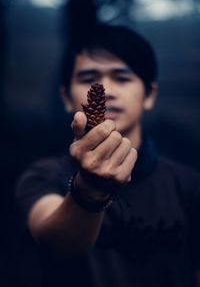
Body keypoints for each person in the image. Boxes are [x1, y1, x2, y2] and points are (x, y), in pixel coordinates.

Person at [16, 24, 200, 287]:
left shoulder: (190, 186)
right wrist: (89, 190)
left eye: (122, 78)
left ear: (149, 95)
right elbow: (55, 245)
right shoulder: (42, 176)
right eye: (88, 77)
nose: (107, 89)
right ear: (66, 97)